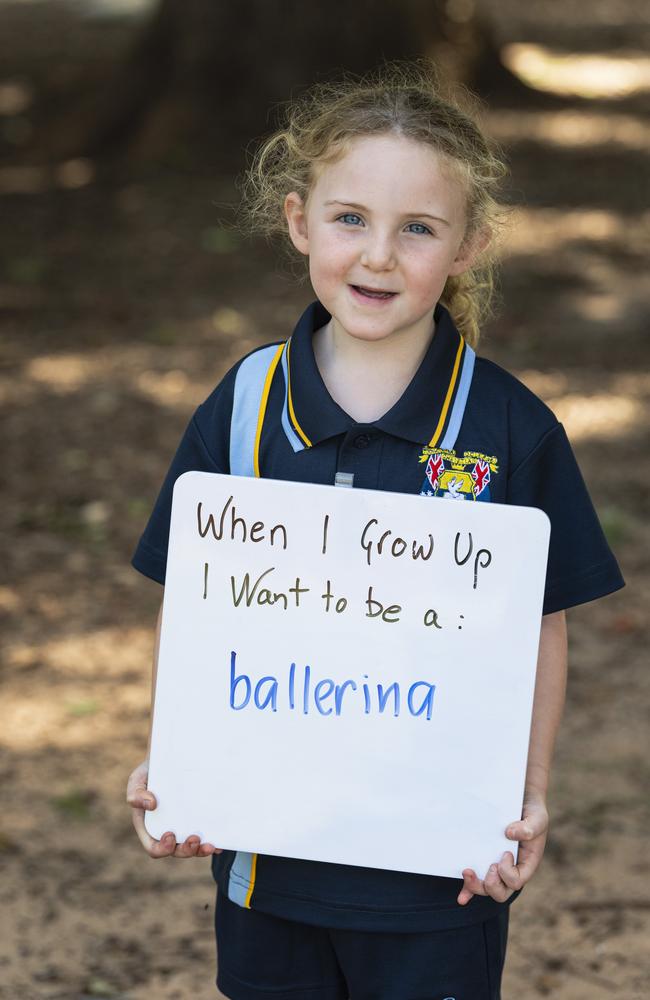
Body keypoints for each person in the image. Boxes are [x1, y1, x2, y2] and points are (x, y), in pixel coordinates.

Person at [126, 62, 624, 1000]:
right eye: (351, 218)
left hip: (443, 881)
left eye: (418, 229)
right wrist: (180, 762)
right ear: (298, 221)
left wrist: (525, 793)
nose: (379, 255)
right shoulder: (243, 406)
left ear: (469, 244)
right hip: (267, 869)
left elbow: (541, 624)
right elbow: (202, 607)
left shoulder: (511, 429)